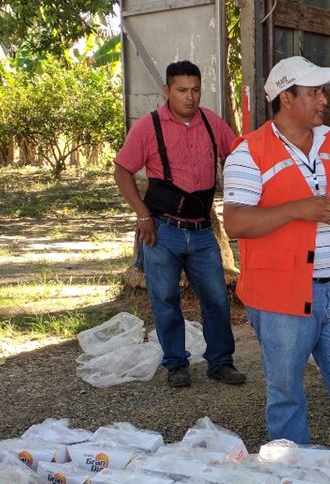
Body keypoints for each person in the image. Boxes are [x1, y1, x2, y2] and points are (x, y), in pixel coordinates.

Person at [222, 56, 330, 443]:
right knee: (286, 393)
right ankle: (295, 481)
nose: (324, 100)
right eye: (314, 92)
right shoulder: (249, 152)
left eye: (323, 91)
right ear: (287, 98)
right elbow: (236, 222)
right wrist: (298, 210)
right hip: (281, 296)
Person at [114, 60, 246, 388]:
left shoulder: (212, 124)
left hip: (202, 231)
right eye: (182, 90)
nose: (190, 97)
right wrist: (142, 215)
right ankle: (176, 364)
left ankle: (221, 362)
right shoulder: (149, 126)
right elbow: (122, 170)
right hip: (161, 229)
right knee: (165, 299)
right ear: (167, 91)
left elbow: (239, 154)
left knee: (216, 297)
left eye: (196, 90)